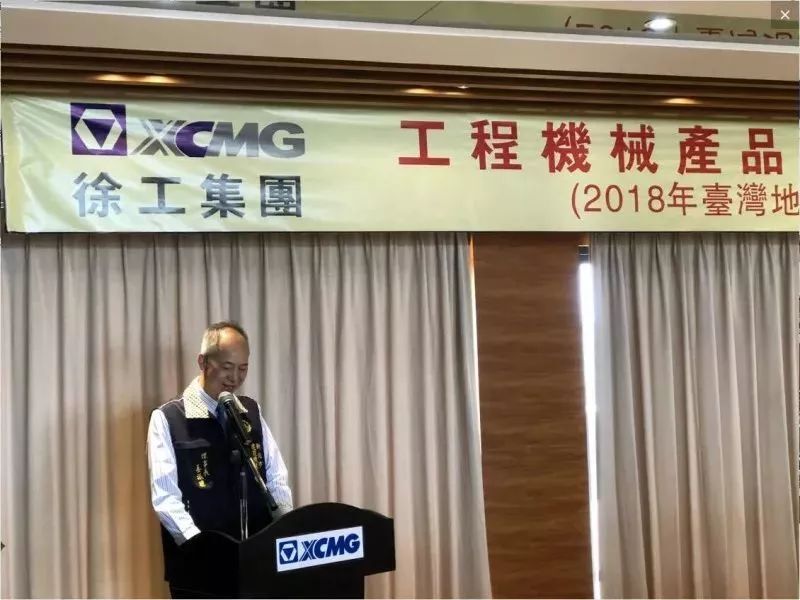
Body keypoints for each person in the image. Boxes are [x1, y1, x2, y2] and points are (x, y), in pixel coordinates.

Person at [147, 321, 292, 597]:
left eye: (243, 368)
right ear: (203, 362)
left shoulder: (249, 411)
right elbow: (166, 499)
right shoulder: (168, 418)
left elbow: (275, 477)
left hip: (257, 561)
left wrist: (285, 532)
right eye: (227, 367)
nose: (235, 378)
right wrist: (202, 549)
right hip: (199, 570)